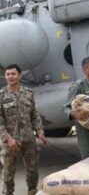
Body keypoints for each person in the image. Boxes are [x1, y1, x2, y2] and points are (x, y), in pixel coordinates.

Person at [0, 64, 50, 195]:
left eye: (13, 74)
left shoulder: (28, 93)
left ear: (19, 75)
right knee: (8, 173)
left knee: (33, 170)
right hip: (10, 141)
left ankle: (32, 191)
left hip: (29, 139)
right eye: (8, 74)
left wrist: (40, 132)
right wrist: (8, 139)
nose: (10, 76)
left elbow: (34, 114)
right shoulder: (1, 95)